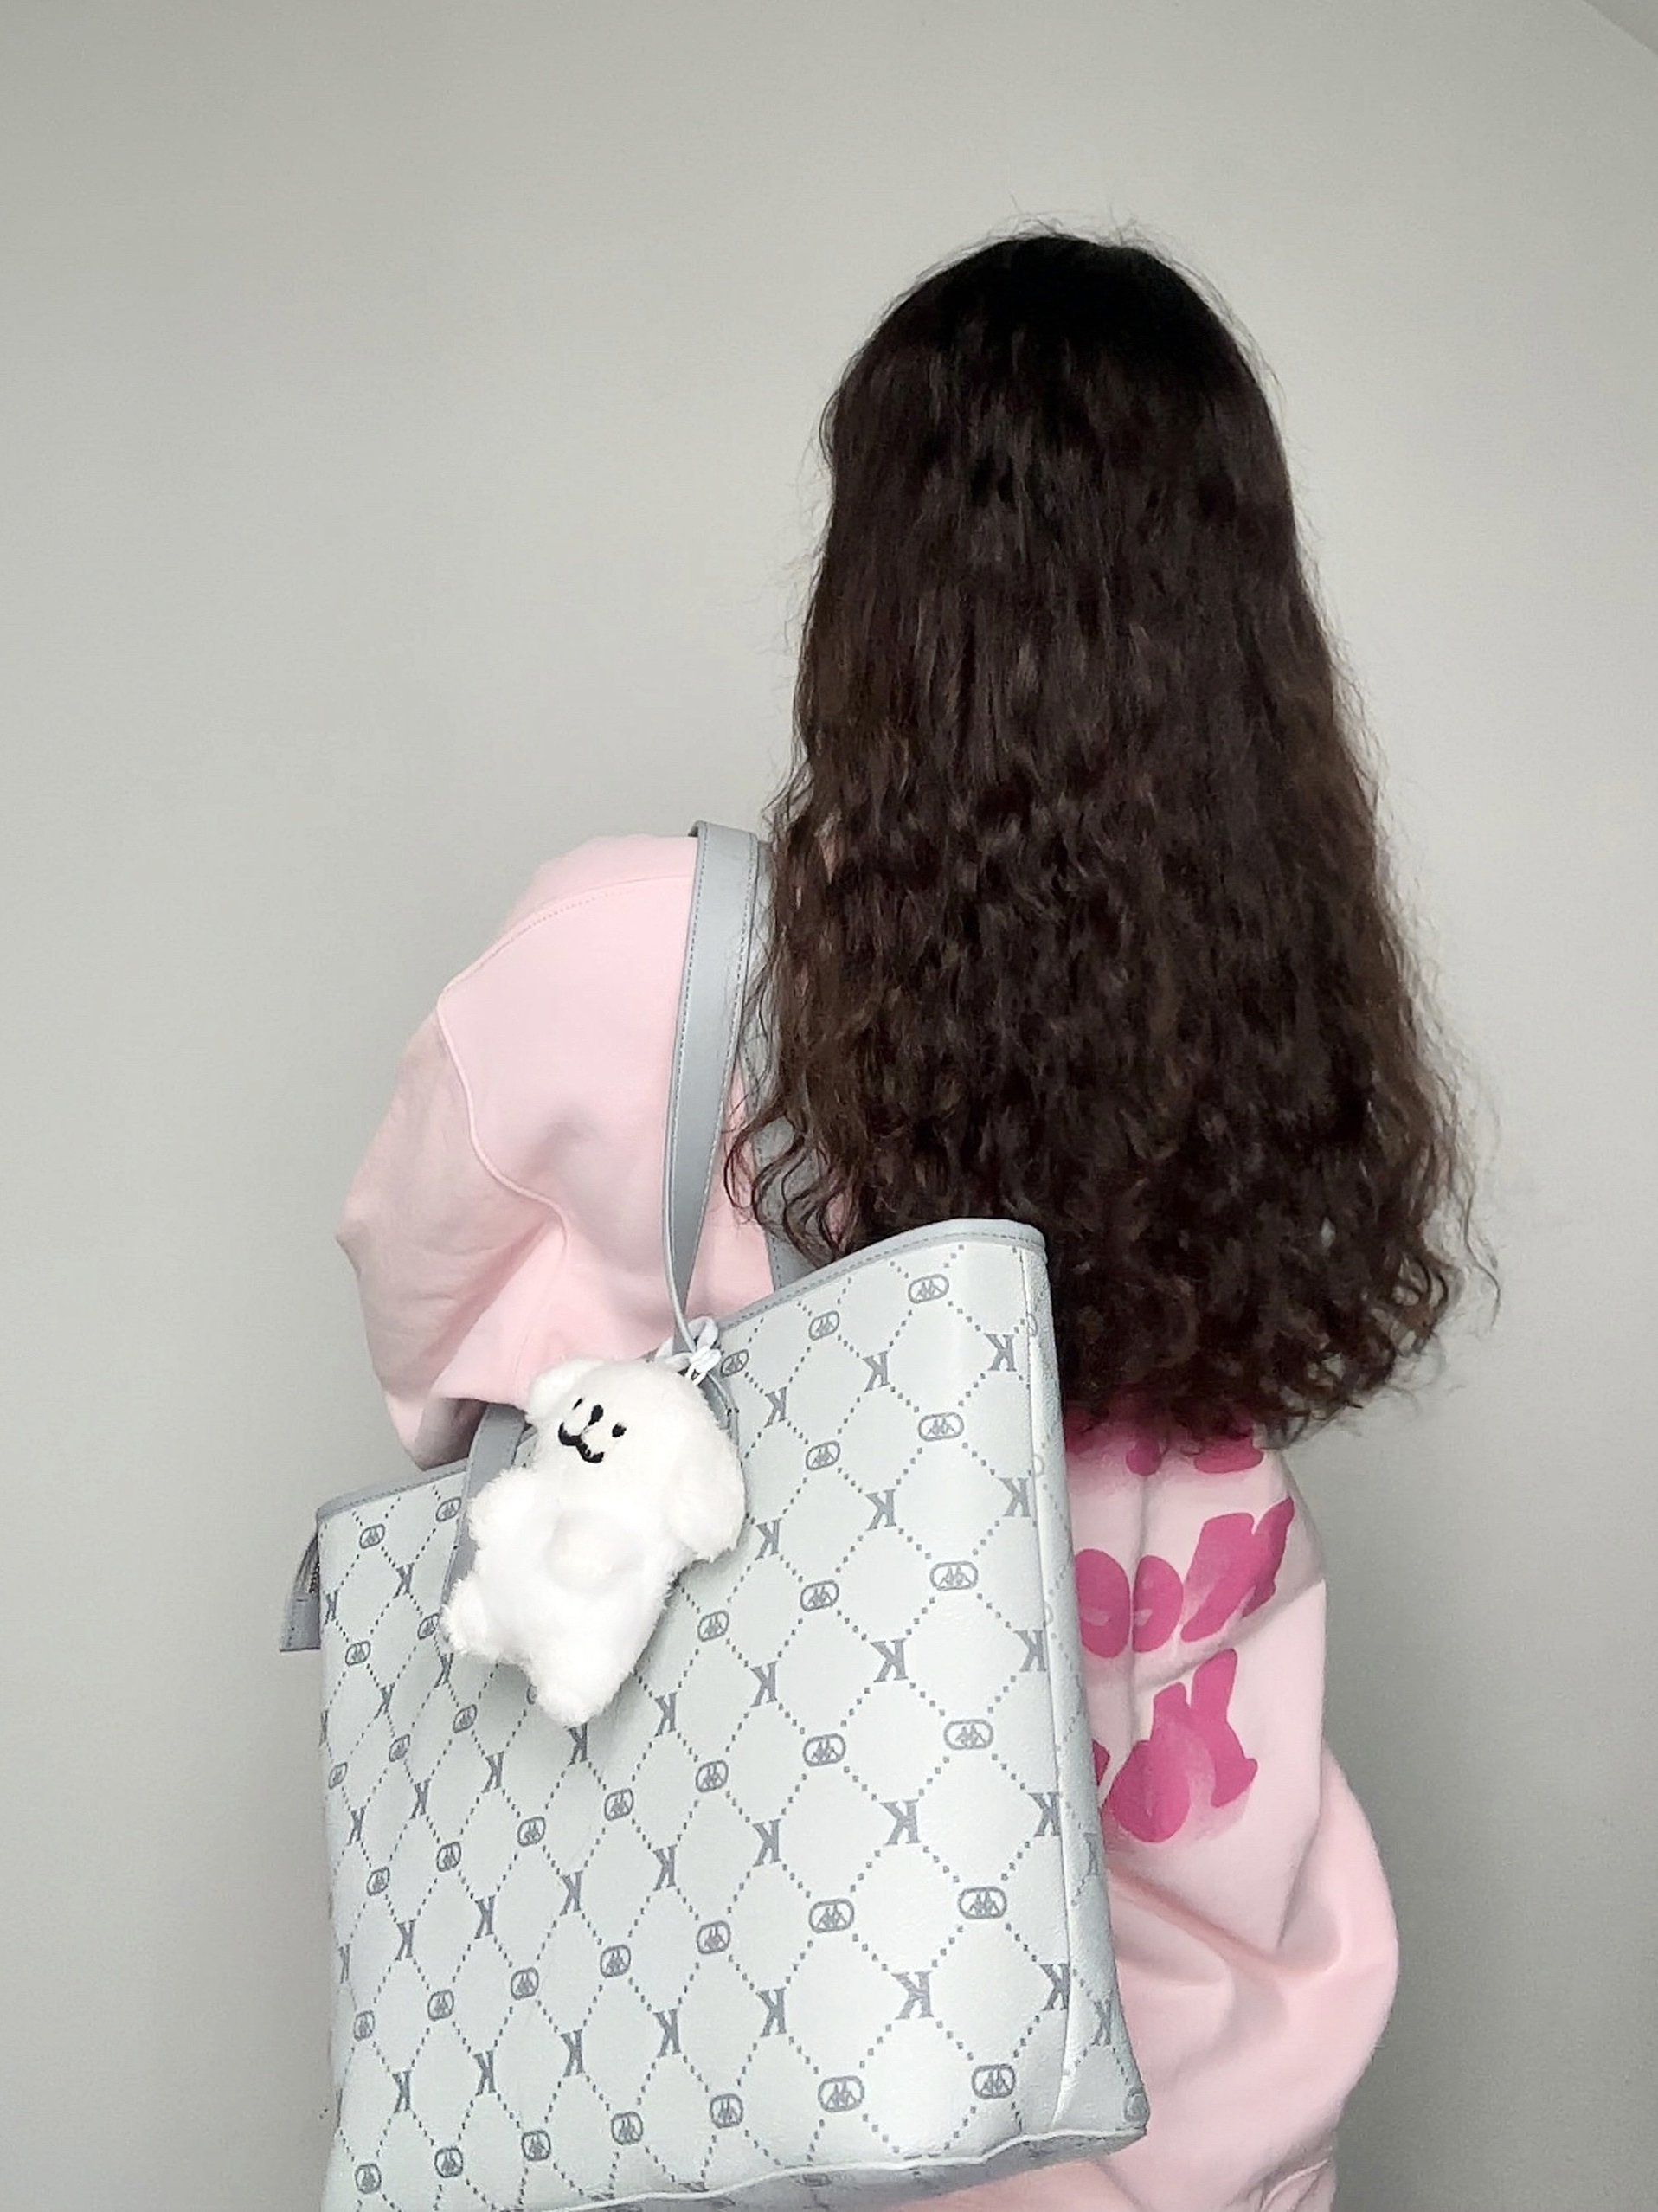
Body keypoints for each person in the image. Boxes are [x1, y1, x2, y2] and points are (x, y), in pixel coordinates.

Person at [338, 231, 1472, 2212]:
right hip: (1202, 2104)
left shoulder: (638, 963)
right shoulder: (1259, 1030)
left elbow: (428, 1326)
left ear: (874, 599)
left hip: (728, 2079)